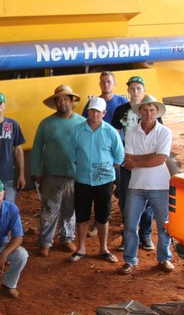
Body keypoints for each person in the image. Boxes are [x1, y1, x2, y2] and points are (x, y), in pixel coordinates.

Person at [120, 95, 174, 274]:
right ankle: (130, 260)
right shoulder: (131, 131)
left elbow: (160, 159)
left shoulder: (164, 132)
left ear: (157, 112)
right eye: (145, 109)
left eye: (152, 110)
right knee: (130, 225)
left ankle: (164, 258)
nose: (148, 113)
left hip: (160, 186)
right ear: (140, 112)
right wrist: (150, 156)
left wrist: (137, 160)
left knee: (163, 225)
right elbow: (128, 158)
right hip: (136, 185)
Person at [68, 97, 124, 264]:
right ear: (88, 112)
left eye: (98, 111)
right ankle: (81, 248)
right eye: (92, 110)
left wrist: (105, 169)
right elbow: (72, 154)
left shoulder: (111, 132)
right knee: (82, 214)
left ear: (104, 113)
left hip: (104, 181)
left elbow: (119, 156)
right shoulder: (77, 131)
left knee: (103, 215)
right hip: (83, 180)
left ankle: (103, 248)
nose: (95, 114)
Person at [31, 84, 85, 257]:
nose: (62, 103)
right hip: (51, 174)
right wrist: (35, 171)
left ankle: (67, 238)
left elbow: (87, 148)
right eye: (59, 100)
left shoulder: (82, 123)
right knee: (49, 208)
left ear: (71, 101)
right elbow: (37, 148)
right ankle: (45, 241)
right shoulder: (46, 124)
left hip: (75, 175)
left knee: (70, 209)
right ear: (56, 103)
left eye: (65, 99)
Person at [111, 76, 156, 251]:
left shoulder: (152, 109)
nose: (135, 91)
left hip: (146, 163)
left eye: (139, 88)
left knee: (147, 198)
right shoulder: (121, 110)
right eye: (132, 88)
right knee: (126, 198)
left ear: (143, 90)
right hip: (126, 162)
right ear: (128, 90)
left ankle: (145, 234)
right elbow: (115, 135)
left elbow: (157, 136)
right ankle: (128, 235)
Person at [81, 71, 128, 237]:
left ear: (114, 83)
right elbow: (83, 125)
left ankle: (126, 222)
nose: (106, 84)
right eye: (103, 82)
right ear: (100, 84)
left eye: (109, 81)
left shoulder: (123, 103)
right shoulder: (93, 104)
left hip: (117, 151)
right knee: (98, 190)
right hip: (97, 154)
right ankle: (97, 222)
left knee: (122, 188)